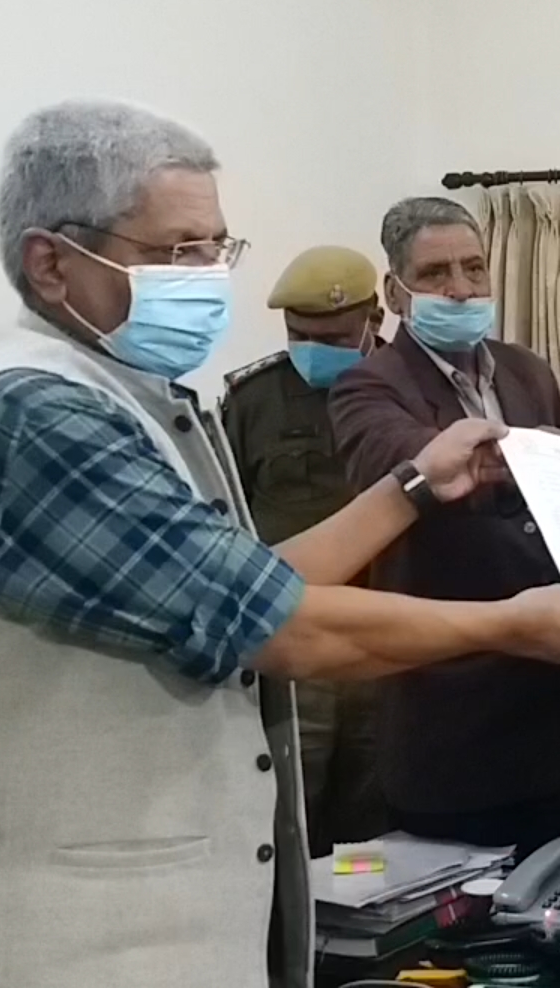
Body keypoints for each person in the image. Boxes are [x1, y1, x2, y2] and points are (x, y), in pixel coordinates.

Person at [0, 101, 560, 988]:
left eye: (217, 248)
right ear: (52, 263)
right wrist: (508, 626)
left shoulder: (139, 399)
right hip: (24, 930)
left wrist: (416, 484)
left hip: (139, 918)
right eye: (176, 252)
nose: (207, 277)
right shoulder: (34, 411)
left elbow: (253, 581)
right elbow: (285, 629)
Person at [331, 197, 560, 857]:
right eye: (436, 274)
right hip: (454, 726)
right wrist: (553, 454)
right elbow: (407, 463)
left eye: (474, 268)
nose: (459, 290)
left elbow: (557, 509)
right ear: (396, 292)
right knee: (459, 937)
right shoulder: (367, 387)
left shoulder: (527, 371)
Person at [221, 245, 390, 848]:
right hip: (294, 642)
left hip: (392, 640)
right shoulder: (252, 401)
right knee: (291, 813)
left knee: (379, 822)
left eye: (335, 335)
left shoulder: (407, 388)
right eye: (301, 333)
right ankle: (299, 942)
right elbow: (227, 516)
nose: (315, 347)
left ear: (376, 316)